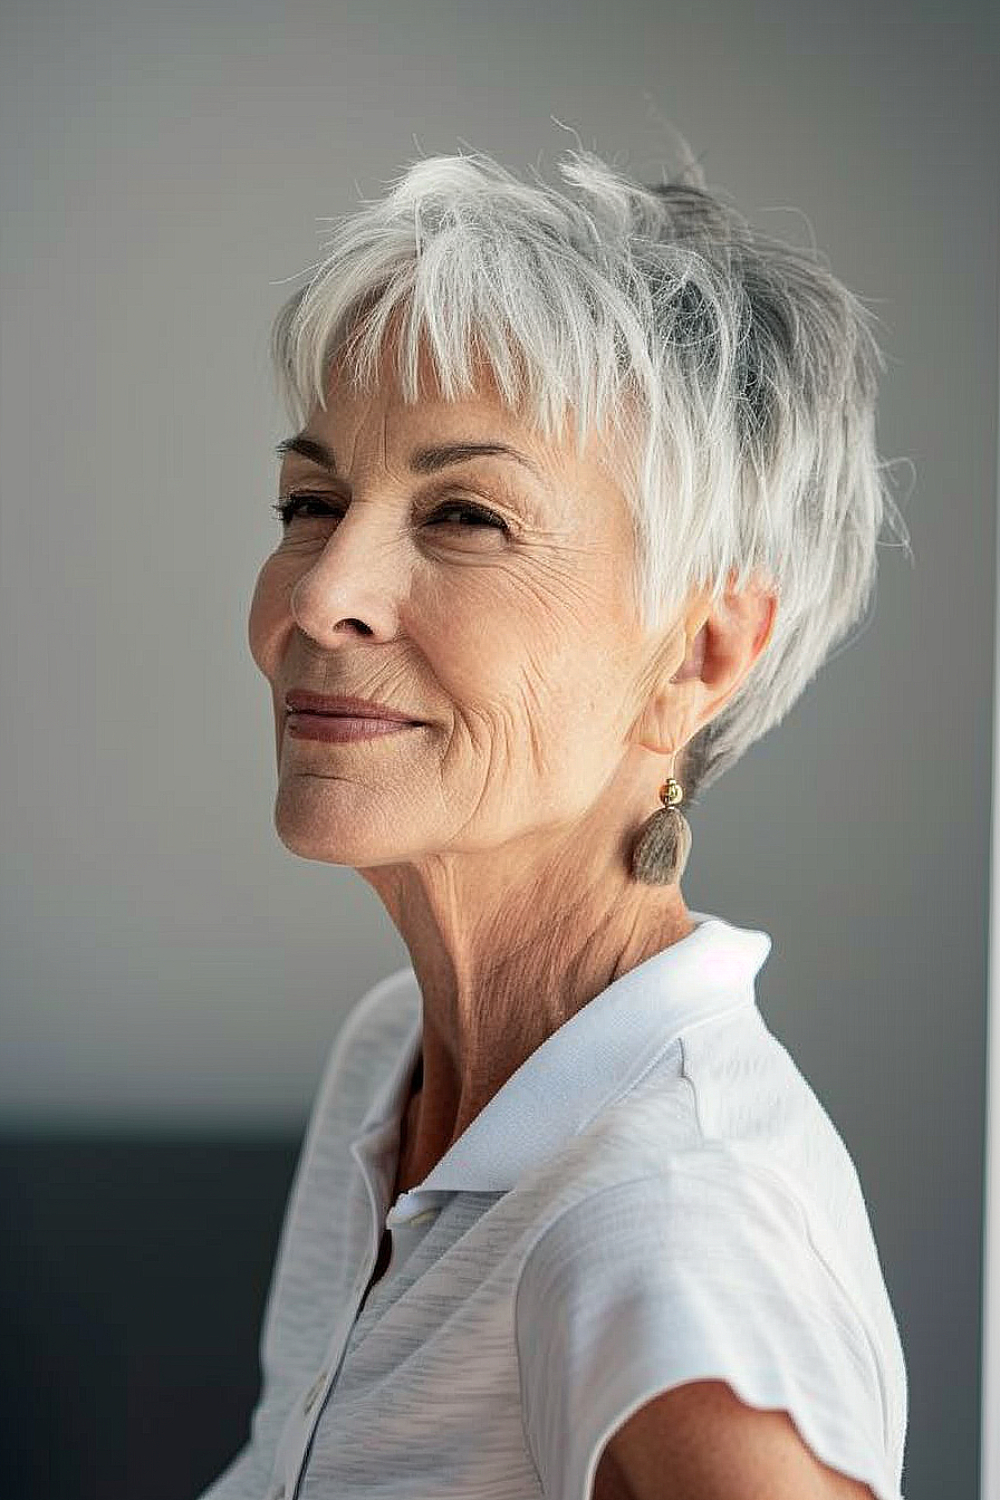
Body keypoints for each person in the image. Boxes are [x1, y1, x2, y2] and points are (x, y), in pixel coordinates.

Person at [199, 139, 911, 1500]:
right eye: (313, 502)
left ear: (701, 653)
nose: (320, 593)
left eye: (464, 515)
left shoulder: (666, 1231)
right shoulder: (393, 1066)